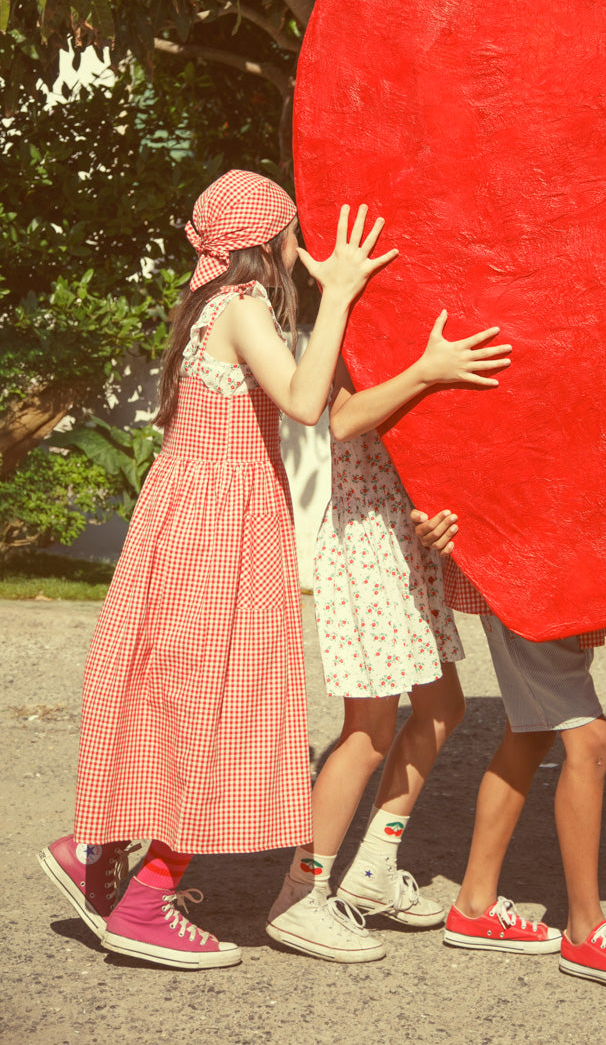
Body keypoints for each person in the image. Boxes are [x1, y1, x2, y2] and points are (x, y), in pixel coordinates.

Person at [39, 172, 397, 970]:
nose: (298, 246)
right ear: (264, 242)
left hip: (189, 515)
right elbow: (303, 400)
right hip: (223, 528)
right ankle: (145, 902)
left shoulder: (206, 304)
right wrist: (340, 293)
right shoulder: (242, 307)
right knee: (220, 704)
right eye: (290, 232)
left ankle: (95, 851)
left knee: (173, 693)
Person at [265, 312, 512, 963]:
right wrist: (428, 370)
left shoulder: (410, 316)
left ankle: (372, 869)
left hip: (404, 544)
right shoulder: (352, 321)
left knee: (443, 708)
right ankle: (299, 896)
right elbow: (343, 419)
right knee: (368, 732)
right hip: (368, 547)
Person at [409, 510, 606, 991]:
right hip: (522, 560)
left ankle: (474, 905)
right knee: (592, 740)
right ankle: (585, 932)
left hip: (549, 559)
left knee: (530, 731)